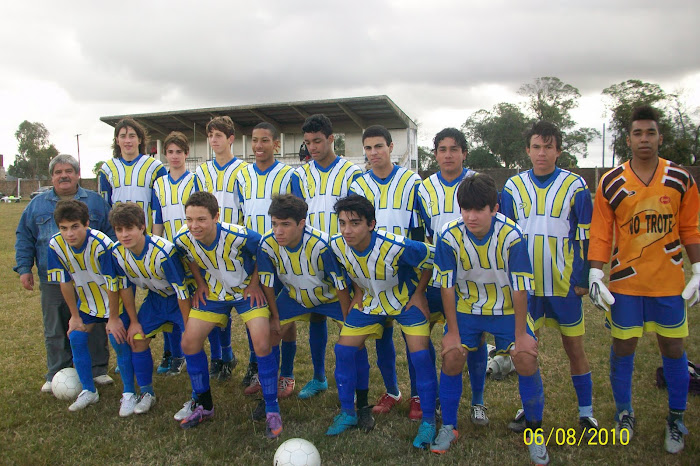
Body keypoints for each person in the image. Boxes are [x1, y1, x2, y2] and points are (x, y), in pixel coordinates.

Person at [588, 105, 700, 454]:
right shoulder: (611, 181)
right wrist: (595, 270)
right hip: (625, 284)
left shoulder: (680, 179)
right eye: (638, 133)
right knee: (624, 347)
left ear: (659, 136)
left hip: (669, 284)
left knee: (674, 348)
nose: (644, 139)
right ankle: (624, 414)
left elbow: (691, 227)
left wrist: (697, 269)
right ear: (628, 139)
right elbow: (602, 233)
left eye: (650, 132)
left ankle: (676, 420)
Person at [430, 174, 549, 465]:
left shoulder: (512, 235)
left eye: (478, 210)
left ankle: (535, 432)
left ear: (494, 208)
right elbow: (446, 285)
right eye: (465, 209)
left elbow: (521, 288)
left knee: (525, 358)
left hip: (507, 310)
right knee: (452, 356)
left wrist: (521, 335)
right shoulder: (448, 235)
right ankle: (449, 426)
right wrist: (452, 332)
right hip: (468, 309)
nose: (470, 216)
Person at [500, 121, 597, 435]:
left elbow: (585, 236)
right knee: (526, 350)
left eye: (549, 147)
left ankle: (586, 413)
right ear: (527, 150)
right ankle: (528, 409)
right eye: (536, 147)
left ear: (558, 150)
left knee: (574, 348)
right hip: (525, 287)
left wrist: (582, 276)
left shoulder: (576, 186)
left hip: (563, 284)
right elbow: (506, 238)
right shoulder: (513, 187)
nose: (542, 153)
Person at [326, 194, 438, 451]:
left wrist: (420, 293)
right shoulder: (336, 245)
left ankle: (429, 421)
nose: (347, 230)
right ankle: (348, 413)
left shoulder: (396, 245)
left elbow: (432, 257)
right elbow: (346, 269)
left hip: (405, 301)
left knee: (420, 356)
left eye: (355, 223)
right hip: (369, 303)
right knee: (343, 350)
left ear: (372, 224)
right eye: (342, 223)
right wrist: (357, 292)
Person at [173, 192, 283, 439]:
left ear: (216, 217)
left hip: (245, 291)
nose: (194, 226)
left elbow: (264, 251)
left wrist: (255, 283)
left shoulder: (238, 235)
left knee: (262, 341)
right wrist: (200, 283)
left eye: (201, 219)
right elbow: (189, 258)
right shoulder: (183, 237)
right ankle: (204, 405)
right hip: (214, 293)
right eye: (189, 219)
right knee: (189, 342)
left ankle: (272, 408)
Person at [15, 153, 113, 394]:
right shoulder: (37, 204)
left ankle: (98, 369)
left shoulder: (96, 202)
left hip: (91, 278)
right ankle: (57, 370)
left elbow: (110, 233)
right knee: (56, 325)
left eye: (68, 171)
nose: (64, 176)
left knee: (96, 322)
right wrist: (24, 268)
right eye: (58, 172)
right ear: (52, 177)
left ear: (78, 174)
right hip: (53, 278)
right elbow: (24, 237)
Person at [349, 125, 426, 418]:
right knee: (382, 336)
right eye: (367, 148)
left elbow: (418, 230)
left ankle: (418, 395)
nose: (373, 153)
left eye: (378, 147)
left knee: (412, 336)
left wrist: (417, 270)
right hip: (372, 274)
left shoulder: (412, 181)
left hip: (404, 271)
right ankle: (393, 390)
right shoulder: (358, 185)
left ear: (392, 147)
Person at [256, 194, 350, 417]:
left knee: (351, 341)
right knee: (269, 336)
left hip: (329, 298)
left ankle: (348, 391)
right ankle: (269, 396)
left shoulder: (321, 245)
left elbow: (340, 284)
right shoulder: (267, 243)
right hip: (294, 296)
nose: (278, 231)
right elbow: (268, 283)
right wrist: (275, 315)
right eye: (274, 224)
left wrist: (347, 318)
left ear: (301, 223)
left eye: (285, 224)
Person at [291, 114, 363, 404]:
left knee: (351, 319)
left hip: (343, 256)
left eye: (317, 141)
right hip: (312, 256)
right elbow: (298, 215)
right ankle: (319, 377)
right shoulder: (300, 174)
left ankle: (356, 385)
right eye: (307, 142)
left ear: (332, 139)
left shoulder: (351, 172)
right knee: (316, 314)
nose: (312, 147)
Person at [416, 127, 481, 422]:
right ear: (436, 155)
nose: (448, 155)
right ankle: (430, 395)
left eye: (454, 149)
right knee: (420, 332)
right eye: (442, 150)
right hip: (437, 273)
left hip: (472, 275)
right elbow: (425, 234)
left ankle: (478, 401)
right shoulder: (424, 188)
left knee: (475, 338)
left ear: (464, 153)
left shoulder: (478, 182)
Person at [108, 202, 190, 416]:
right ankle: (147, 393)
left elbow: (181, 290)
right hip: (155, 300)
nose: (124, 235)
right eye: (119, 230)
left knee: (191, 344)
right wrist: (134, 321)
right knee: (136, 338)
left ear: (142, 227)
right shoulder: (117, 253)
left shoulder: (164, 252)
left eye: (129, 228)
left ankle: (198, 397)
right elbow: (125, 287)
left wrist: (188, 323)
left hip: (180, 299)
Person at [236, 122, 299, 397]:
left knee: (284, 314)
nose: (259, 146)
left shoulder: (288, 175)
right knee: (258, 312)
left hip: (281, 252)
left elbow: (296, 212)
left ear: (276, 144)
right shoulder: (242, 175)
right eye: (254, 140)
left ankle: (287, 373)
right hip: (254, 252)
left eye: (265, 140)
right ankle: (264, 372)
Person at [46, 200, 120, 411]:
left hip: (113, 300)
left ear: (86, 223)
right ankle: (89, 390)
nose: (69, 234)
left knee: (119, 340)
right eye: (64, 228)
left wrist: (113, 318)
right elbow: (65, 282)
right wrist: (74, 316)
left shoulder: (101, 244)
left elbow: (114, 283)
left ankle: (131, 393)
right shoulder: (55, 245)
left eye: (75, 226)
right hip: (87, 303)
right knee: (76, 336)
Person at [195, 116, 248, 381]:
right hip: (208, 246)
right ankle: (223, 356)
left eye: (219, 135)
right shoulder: (201, 172)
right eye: (211, 135)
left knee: (248, 306)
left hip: (234, 245)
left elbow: (245, 208)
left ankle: (254, 364)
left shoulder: (244, 170)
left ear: (230, 138)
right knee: (216, 302)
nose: (214, 140)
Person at [152, 131, 201, 376]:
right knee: (168, 298)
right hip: (167, 251)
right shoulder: (159, 184)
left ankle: (199, 352)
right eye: (170, 152)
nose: (174, 156)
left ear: (186, 154)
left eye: (178, 152)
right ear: (165, 154)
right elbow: (158, 218)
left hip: (190, 248)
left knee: (195, 301)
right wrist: (156, 246)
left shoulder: (194, 180)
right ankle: (172, 353)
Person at [98, 118, 167, 232]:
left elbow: (161, 205)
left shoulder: (155, 166)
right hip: (120, 236)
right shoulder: (107, 169)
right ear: (117, 140)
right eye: (123, 136)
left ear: (140, 139)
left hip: (147, 235)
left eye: (132, 136)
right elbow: (105, 207)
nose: (127, 140)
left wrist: (156, 236)